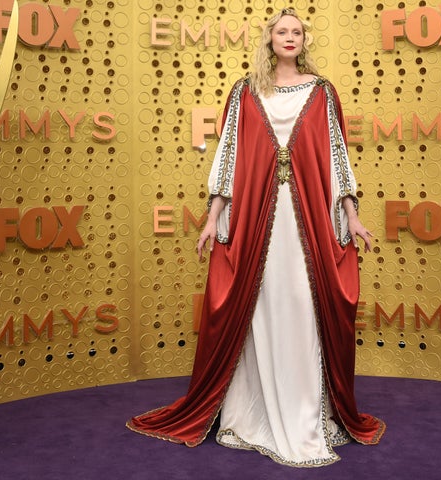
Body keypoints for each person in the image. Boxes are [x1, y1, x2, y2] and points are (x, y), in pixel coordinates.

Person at [127, 8, 385, 467]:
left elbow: (337, 157)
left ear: (305, 40)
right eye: (282, 31)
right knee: (258, 305)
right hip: (255, 222)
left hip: (307, 220)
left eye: (297, 32)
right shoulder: (246, 91)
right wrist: (212, 218)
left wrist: (352, 215)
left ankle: (307, 414)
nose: (290, 38)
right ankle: (251, 414)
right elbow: (228, 155)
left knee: (303, 306)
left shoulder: (323, 91)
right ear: (269, 40)